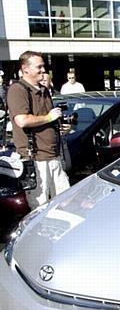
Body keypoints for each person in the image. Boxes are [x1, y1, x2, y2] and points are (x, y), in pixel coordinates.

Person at [7, 51, 70, 209]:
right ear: (25, 69)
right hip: (35, 159)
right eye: (39, 67)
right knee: (40, 207)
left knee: (66, 202)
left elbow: (47, 119)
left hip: (54, 156)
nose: (43, 70)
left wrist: (60, 128)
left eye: (44, 66)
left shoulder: (44, 90)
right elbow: (22, 120)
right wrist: (49, 118)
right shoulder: (18, 89)